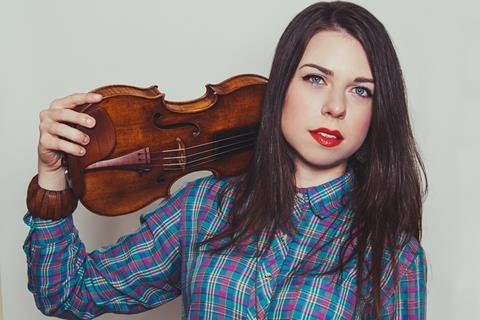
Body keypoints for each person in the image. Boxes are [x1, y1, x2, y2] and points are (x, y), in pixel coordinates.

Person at [23, 1, 428, 319]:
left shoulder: (395, 255)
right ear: (281, 86)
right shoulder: (204, 207)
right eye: (315, 79)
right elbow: (67, 292)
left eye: (361, 91)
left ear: (379, 111)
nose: (335, 107)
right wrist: (54, 176)